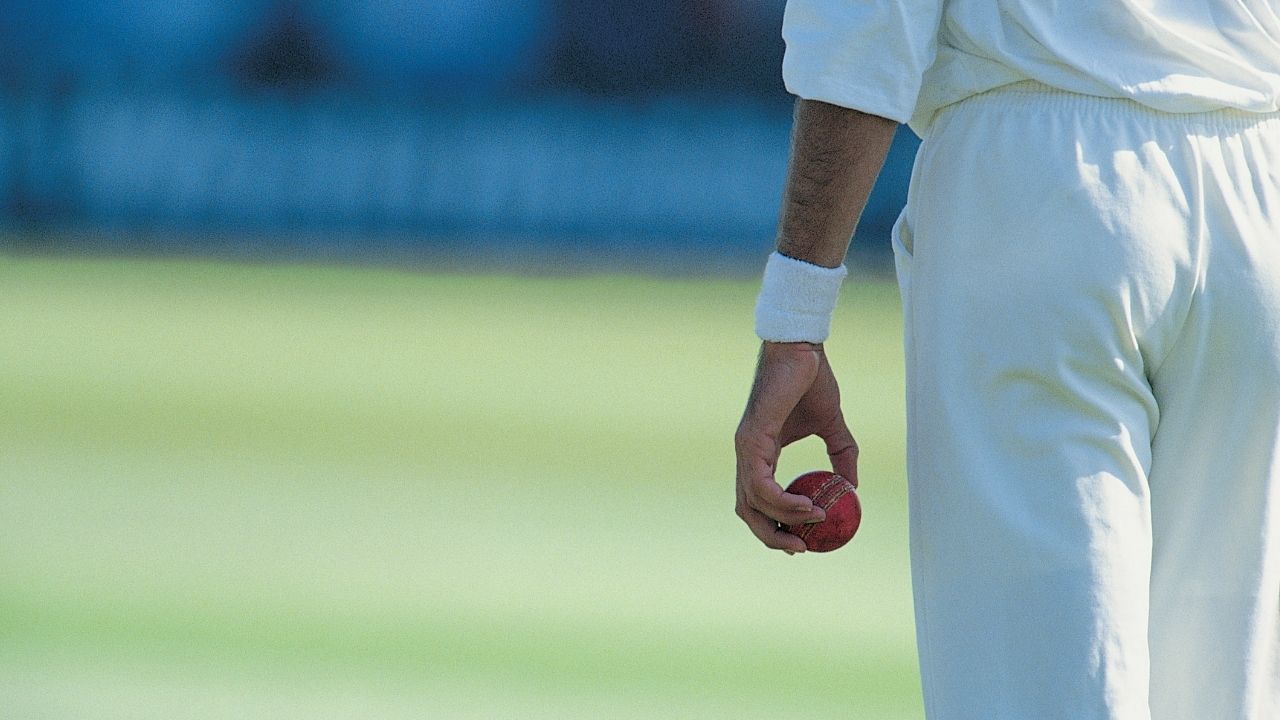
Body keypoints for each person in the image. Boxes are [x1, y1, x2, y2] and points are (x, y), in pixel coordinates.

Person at [733, 2, 1280, 719]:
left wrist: (795, 321)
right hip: (1258, 180)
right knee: (1226, 695)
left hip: (1038, 175)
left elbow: (863, 33)